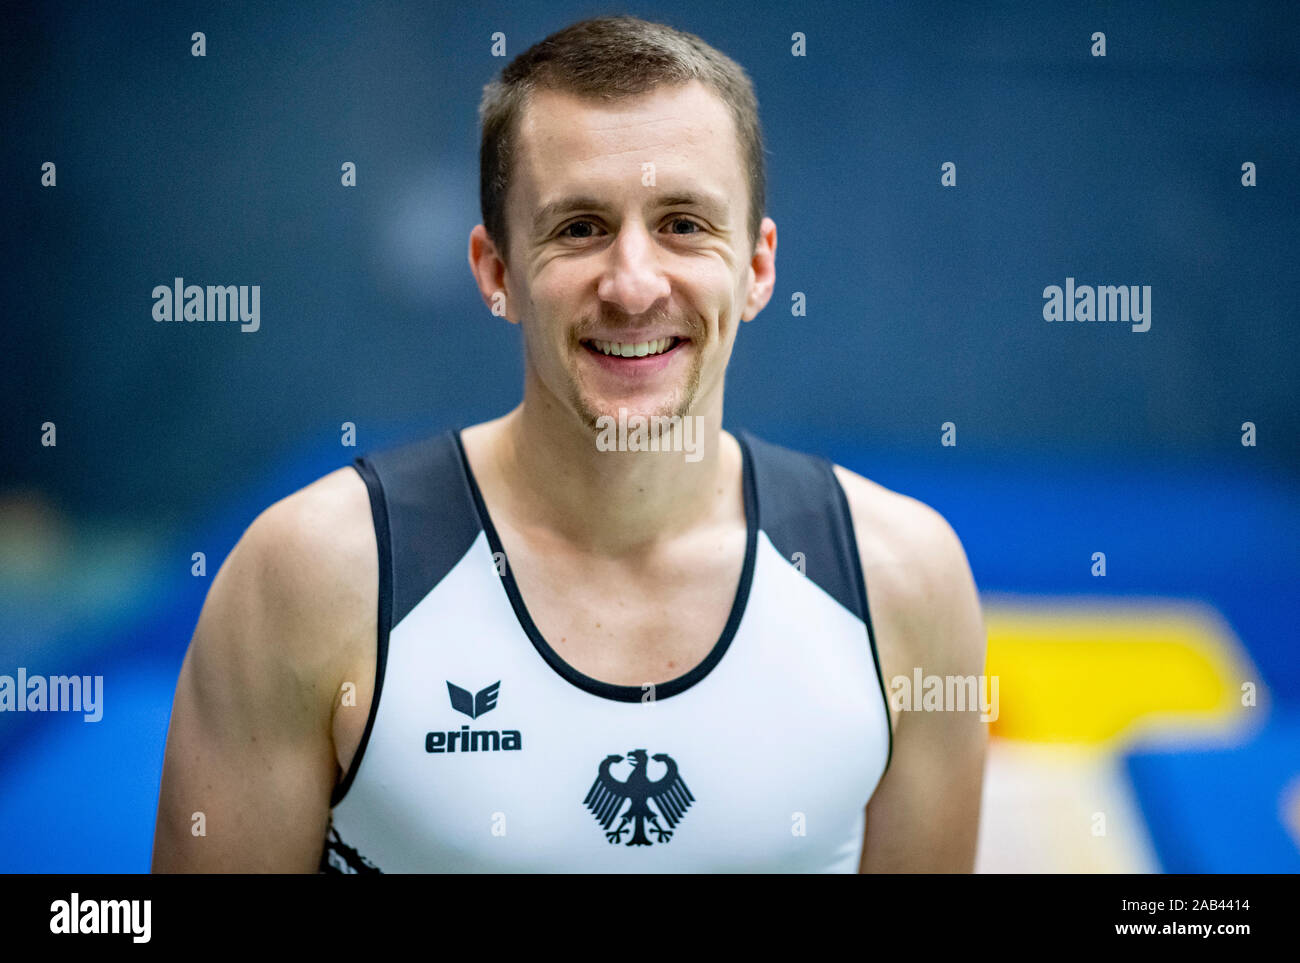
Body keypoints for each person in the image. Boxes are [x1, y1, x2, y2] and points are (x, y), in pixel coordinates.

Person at [152, 14, 986, 873]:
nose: (632, 285)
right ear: (496, 272)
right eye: (580, 226)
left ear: (758, 269)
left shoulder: (901, 584)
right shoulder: (312, 577)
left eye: (684, 224)